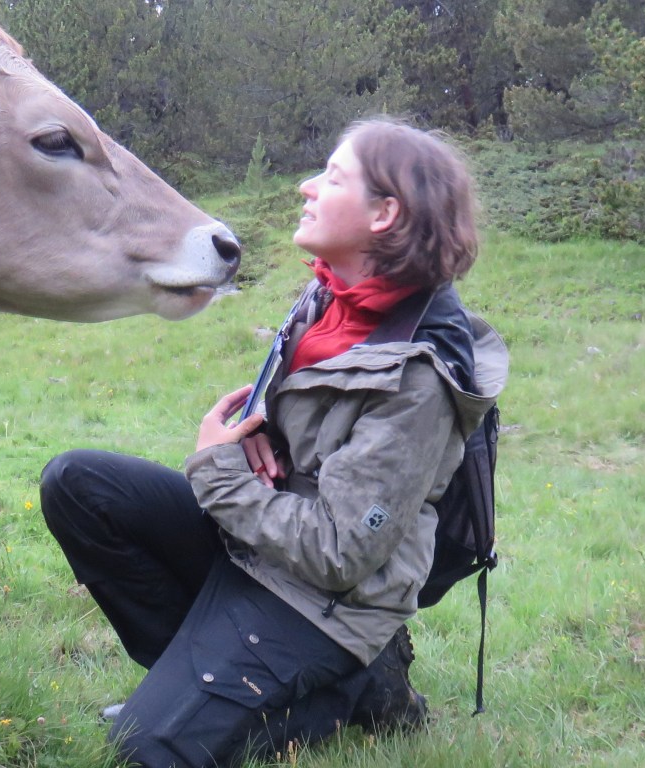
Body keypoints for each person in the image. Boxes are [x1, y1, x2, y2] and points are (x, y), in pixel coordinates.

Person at [37, 118, 505, 768]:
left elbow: (341, 553)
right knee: (79, 485)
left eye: (333, 178)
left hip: (325, 599)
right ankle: (207, 678)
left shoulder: (420, 376)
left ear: (385, 213)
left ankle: (339, 690)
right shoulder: (329, 295)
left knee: (145, 750)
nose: (307, 187)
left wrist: (218, 472)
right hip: (256, 547)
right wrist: (261, 436)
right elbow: (314, 408)